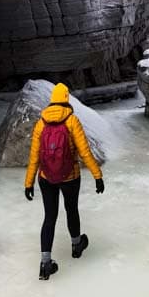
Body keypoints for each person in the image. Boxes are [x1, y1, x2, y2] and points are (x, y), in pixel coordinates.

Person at [24, 82, 105, 280]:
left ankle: (45, 264)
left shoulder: (41, 122)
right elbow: (85, 153)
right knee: (71, 210)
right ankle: (77, 246)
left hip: (46, 178)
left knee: (49, 218)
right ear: (66, 98)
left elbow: (34, 156)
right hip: (70, 176)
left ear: (52, 99)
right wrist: (97, 176)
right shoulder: (72, 120)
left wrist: (29, 183)